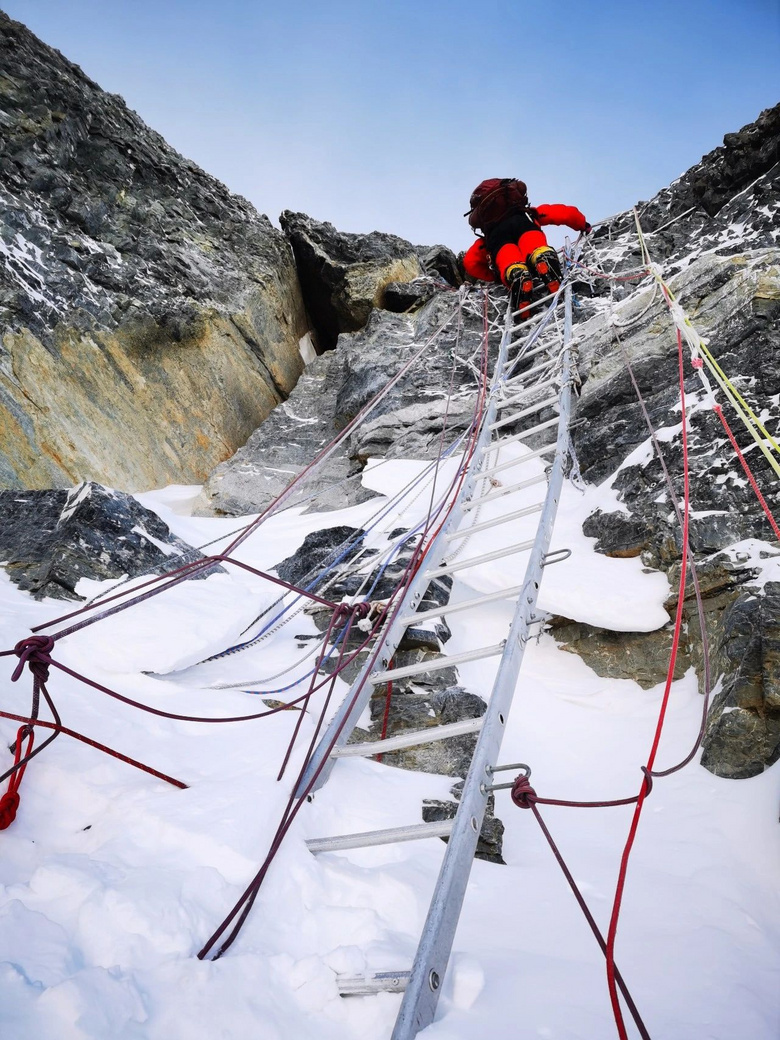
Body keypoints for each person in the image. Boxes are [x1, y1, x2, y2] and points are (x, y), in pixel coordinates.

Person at [463, 178, 590, 319]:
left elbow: (470, 262)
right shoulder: (529, 213)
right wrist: (583, 224)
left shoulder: (485, 240)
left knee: (508, 259)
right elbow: (564, 213)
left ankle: (516, 273)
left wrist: (493, 276)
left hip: (497, 239)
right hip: (525, 225)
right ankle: (541, 257)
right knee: (533, 245)